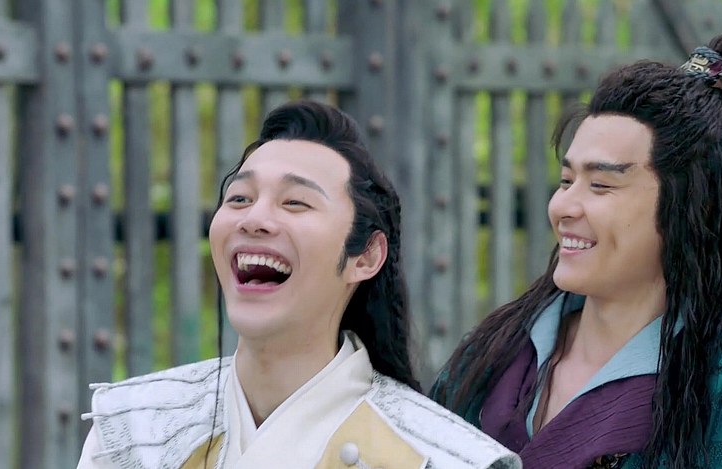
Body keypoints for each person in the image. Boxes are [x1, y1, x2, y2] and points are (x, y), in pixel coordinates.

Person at [76, 100, 520, 468]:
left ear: (366, 256)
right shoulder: (132, 431)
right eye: (239, 198)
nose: (254, 219)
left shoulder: (441, 456)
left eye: (294, 202)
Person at [431, 34, 722, 469]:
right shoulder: (489, 356)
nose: (562, 207)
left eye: (601, 185)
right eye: (566, 181)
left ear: (694, 206)